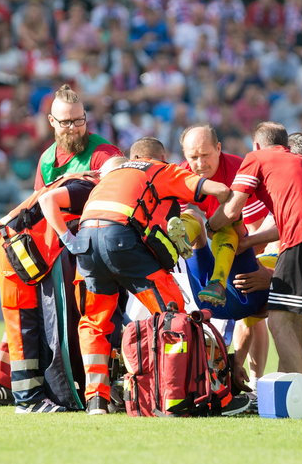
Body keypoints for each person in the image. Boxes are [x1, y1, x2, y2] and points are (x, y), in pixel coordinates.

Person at [0, 85, 122, 407]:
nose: (73, 128)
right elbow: (39, 211)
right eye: (66, 122)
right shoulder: (47, 159)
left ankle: (16, 385)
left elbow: (115, 195)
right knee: (25, 314)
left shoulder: (103, 153)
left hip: (86, 251)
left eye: (78, 120)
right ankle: (9, 383)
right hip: (51, 251)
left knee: (36, 316)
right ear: (51, 122)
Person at [73, 137, 233, 414]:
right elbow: (214, 188)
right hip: (122, 241)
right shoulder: (161, 170)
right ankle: (175, 394)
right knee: (173, 316)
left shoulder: (112, 175)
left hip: (85, 243)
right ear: (162, 156)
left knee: (95, 322)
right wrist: (229, 205)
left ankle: (96, 400)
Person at [209, 122, 302, 374]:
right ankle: (288, 391)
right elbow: (296, 218)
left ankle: (298, 395)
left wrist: (210, 229)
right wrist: (250, 242)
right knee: (295, 320)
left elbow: (230, 210)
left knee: (280, 320)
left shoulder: (257, 157)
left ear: (257, 144)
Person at [0, 165, 108, 412]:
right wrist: (68, 238)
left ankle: (30, 394)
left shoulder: (84, 182)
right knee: (22, 323)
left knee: (29, 321)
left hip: (19, 243)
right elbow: (47, 200)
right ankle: (27, 400)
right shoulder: (88, 187)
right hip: (14, 245)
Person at [177, 124, 272, 383]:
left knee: (253, 315)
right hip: (201, 249)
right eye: (193, 157)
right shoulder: (181, 177)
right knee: (192, 217)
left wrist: (263, 269)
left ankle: (255, 380)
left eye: (205, 155)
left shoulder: (242, 171)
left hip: (243, 246)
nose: (199, 163)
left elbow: (254, 231)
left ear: (218, 148)